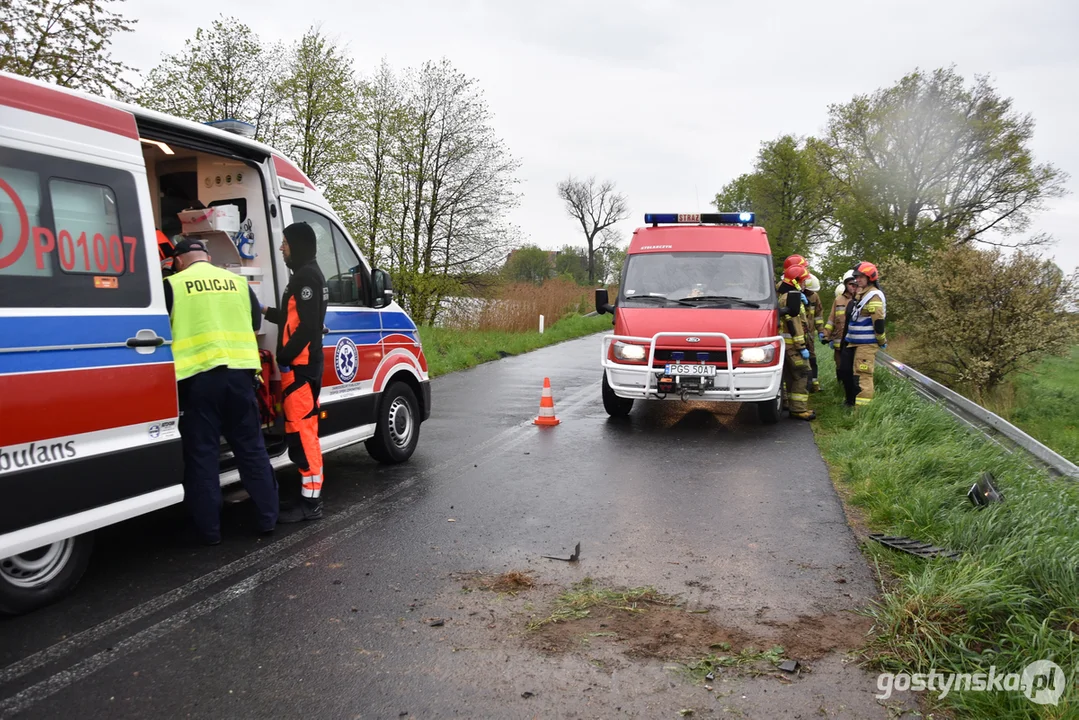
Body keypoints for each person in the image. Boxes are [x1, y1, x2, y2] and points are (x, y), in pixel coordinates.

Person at [164, 238, 279, 544]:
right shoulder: (237, 283)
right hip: (240, 377)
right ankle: (268, 519)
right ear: (208, 257)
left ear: (177, 261)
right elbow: (255, 322)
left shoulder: (172, 285)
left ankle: (209, 532)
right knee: (252, 450)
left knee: (203, 456)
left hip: (197, 381)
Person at [262, 222, 329, 523]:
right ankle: (307, 497)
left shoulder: (306, 278)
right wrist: (263, 311)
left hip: (300, 368)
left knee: (304, 435)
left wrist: (284, 356)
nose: (281, 248)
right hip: (301, 366)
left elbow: (308, 326)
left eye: (285, 243)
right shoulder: (307, 275)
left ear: (298, 245)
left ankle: (311, 504)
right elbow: (295, 319)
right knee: (300, 431)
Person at [838, 261, 887, 407]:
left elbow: (878, 321)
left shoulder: (874, 296)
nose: (857, 280)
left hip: (866, 344)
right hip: (855, 342)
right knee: (851, 374)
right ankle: (852, 404)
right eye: (856, 277)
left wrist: (881, 340)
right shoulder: (863, 294)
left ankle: (862, 412)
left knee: (863, 377)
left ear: (870, 277)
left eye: (861, 277)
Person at [777, 263, 815, 420]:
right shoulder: (793, 298)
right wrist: (801, 346)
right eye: (803, 281)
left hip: (786, 346)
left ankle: (791, 405)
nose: (805, 284)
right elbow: (795, 324)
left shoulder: (785, 296)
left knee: (790, 376)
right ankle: (799, 409)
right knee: (802, 374)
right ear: (796, 281)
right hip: (793, 346)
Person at [824, 271, 858, 382]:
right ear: (846, 285)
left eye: (855, 284)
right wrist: (825, 335)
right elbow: (831, 319)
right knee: (840, 365)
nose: (853, 287)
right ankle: (840, 386)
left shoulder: (860, 300)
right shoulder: (838, 300)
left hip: (854, 340)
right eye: (850, 284)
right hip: (839, 341)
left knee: (854, 367)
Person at [803, 273, 825, 392]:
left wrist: (821, 330)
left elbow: (818, 315)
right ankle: (802, 386)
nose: (811, 294)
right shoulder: (795, 295)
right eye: (809, 292)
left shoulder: (815, 296)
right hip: (797, 334)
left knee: (812, 359)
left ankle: (814, 385)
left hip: (810, 334)